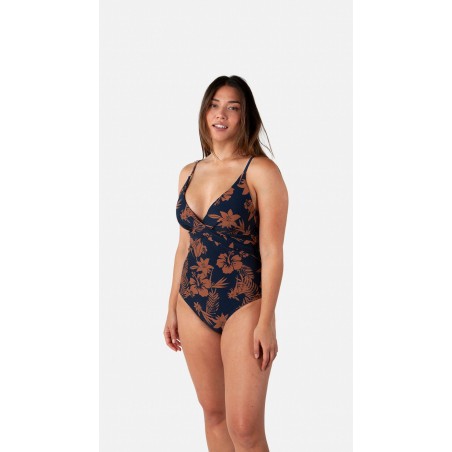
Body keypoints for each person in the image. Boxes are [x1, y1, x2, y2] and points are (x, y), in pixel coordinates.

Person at [164, 75, 288, 451]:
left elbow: (272, 252)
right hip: (192, 302)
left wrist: (267, 320)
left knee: (245, 429)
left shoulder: (262, 172)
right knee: (214, 416)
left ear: (244, 117)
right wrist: (171, 308)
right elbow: (183, 247)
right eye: (214, 106)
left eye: (232, 108)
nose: (222, 114)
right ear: (205, 113)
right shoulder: (188, 173)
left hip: (243, 302)